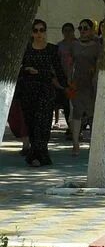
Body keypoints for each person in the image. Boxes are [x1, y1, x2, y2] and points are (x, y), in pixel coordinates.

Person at [20, 19, 61, 166]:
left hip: (46, 91)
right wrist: (27, 70)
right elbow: (19, 69)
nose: (39, 33)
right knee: (31, 123)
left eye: (41, 30)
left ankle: (38, 156)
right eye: (36, 30)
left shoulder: (52, 49)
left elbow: (59, 71)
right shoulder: (26, 49)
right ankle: (36, 154)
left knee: (42, 123)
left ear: (45, 31)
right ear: (32, 32)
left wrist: (66, 86)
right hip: (28, 91)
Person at [69, 18, 102, 156]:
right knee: (76, 113)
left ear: (92, 30)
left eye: (85, 28)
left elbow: (99, 65)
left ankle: (93, 144)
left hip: (91, 84)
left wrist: (95, 78)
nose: (82, 31)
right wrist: (69, 80)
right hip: (76, 83)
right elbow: (70, 63)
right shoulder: (74, 45)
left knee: (92, 114)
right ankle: (75, 143)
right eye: (80, 28)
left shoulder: (97, 46)